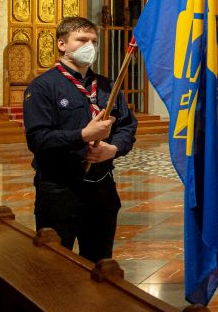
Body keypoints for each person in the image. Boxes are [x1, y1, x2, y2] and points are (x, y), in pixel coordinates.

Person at [23, 16, 137, 263]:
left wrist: (113, 148)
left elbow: (127, 126)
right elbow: (38, 139)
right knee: (55, 265)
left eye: (94, 41)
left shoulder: (107, 85)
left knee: (99, 263)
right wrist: (83, 135)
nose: (90, 46)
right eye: (82, 40)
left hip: (102, 189)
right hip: (60, 190)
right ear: (62, 44)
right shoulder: (43, 87)